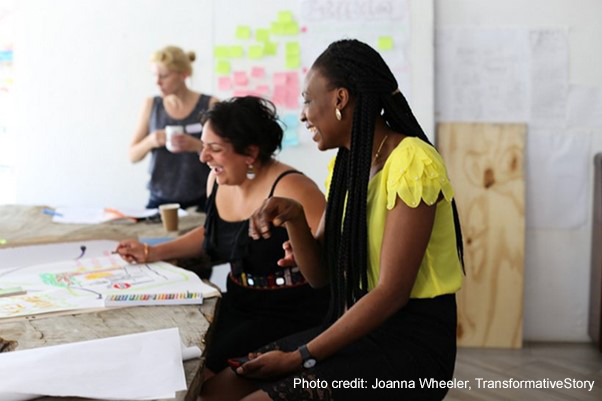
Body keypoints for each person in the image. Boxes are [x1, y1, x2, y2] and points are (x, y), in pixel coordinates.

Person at [199, 39, 465, 401]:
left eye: (308, 99)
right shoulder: (345, 168)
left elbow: (391, 293)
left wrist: (300, 356)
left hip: (409, 343)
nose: (304, 113)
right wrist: (293, 217)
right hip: (354, 326)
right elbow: (320, 276)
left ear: (340, 99)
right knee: (217, 390)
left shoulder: (411, 161)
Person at [117, 96, 329, 376]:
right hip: (238, 301)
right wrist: (151, 252)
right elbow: (213, 233)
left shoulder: (294, 188)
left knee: (202, 372)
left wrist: (300, 250)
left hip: (290, 313)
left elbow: (327, 263)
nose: (204, 158)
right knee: (173, 355)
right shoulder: (217, 180)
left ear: (250, 154)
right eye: (203, 147)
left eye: (214, 149)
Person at [129, 45, 218, 210]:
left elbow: (226, 154)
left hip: (203, 198)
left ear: (184, 74)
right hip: (160, 199)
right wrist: (151, 141)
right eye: (155, 75)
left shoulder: (210, 104)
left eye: (164, 76)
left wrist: (197, 146)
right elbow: (133, 156)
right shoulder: (152, 105)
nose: (157, 82)